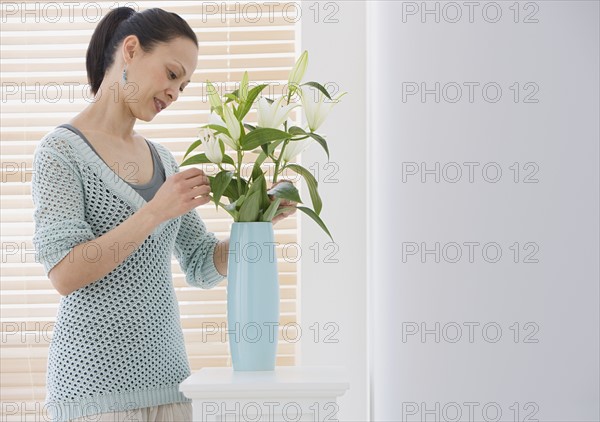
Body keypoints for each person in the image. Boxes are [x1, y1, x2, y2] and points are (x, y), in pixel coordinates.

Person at [30, 7, 295, 422]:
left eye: (184, 86)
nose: (175, 92)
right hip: (93, 391)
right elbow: (65, 273)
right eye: (172, 74)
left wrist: (258, 222)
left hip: (171, 386)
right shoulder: (61, 152)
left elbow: (200, 264)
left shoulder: (163, 160)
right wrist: (155, 212)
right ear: (131, 51)